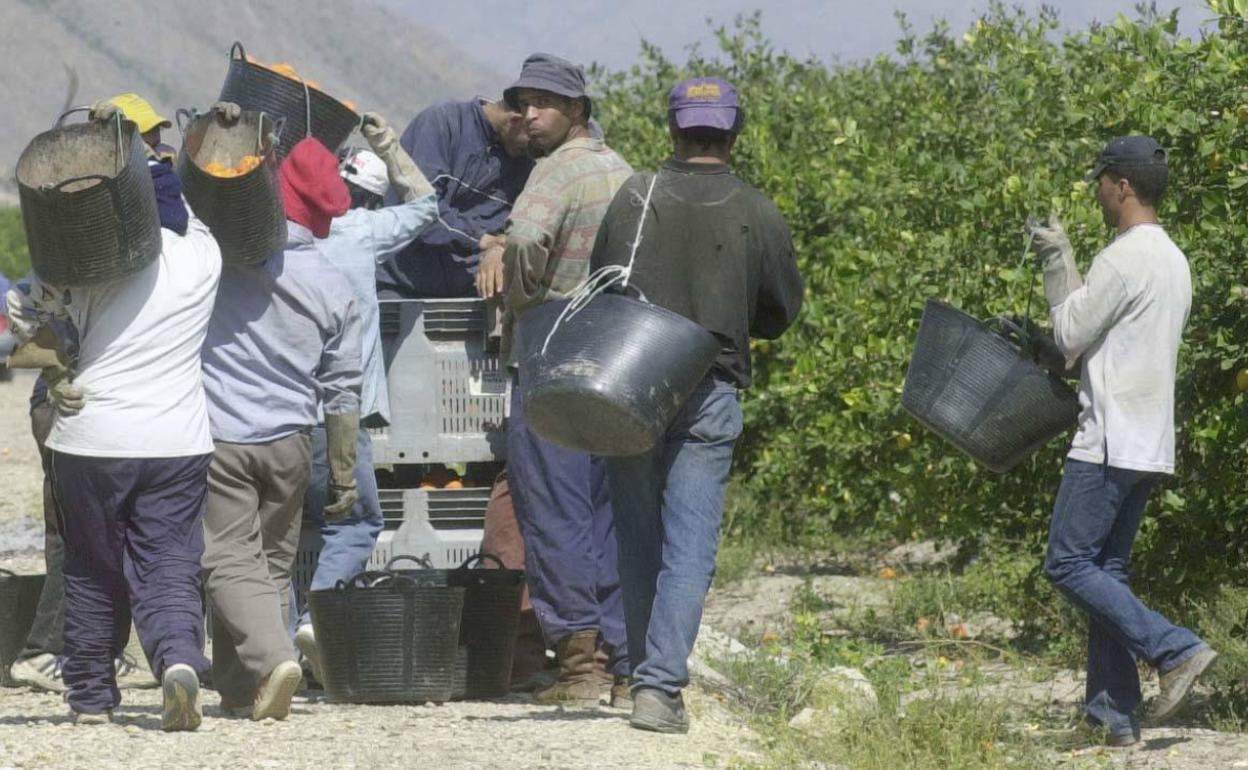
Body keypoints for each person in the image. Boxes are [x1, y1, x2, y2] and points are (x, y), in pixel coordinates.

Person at [589, 77, 803, 733]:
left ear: (672, 130)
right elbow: (781, 311)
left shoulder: (634, 196)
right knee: (690, 545)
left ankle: (637, 676)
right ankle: (658, 689)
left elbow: (600, 282)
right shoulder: (757, 208)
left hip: (632, 384)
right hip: (710, 385)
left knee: (637, 537)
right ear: (735, 133)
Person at [5, 108, 223, 730]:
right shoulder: (203, 254)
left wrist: (53, 368)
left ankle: (92, 697)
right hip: (178, 438)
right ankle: (178, 659)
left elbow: (17, 314)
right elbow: (193, 198)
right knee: (171, 559)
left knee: (91, 565)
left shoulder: (80, 267)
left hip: (90, 437)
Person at [1029, 136, 1216, 747]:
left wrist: (1058, 261)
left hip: (1107, 440)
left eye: (1103, 182)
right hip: (1150, 440)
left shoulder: (1124, 257)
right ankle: (1113, 718)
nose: (1099, 192)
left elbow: (1068, 336)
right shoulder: (1173, 259)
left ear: (1124, 186)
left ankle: (1175, 649)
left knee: (1066, 562)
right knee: (1106, 571)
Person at [198, 125, 363, 722]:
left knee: (224, 561)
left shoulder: (227, 260)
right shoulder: (333, 286)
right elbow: (344, 388)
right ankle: (240, 691)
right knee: (266, 563)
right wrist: (342, 474)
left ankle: (273, 660)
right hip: (294, 443)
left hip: (224, 437)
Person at [485, 52, 634, 708]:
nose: (529, 114)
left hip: (551, 346)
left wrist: (522, 298)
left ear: (577, 111)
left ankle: (577, 668)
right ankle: (626, 666)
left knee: (551, 507)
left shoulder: (555, 170)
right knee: (608, 512)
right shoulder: (622, 171)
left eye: (545, 103)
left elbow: (523, 239)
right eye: (524, 102)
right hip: (615, 354)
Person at [291, 116, 439, 682]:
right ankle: (318, 615)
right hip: (341, 415)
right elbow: (428, 205)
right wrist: (389, 143)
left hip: (274, 416)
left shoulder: (276, 242)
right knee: (354, 524)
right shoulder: (364, 232)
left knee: (276, 536)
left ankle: (275, 646)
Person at [376, 96, 533, 298]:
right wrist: (480, 239)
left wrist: (500, 249)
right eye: (527, 144)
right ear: (515, 120)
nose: (531, 153)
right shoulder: (444, 122)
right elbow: (422, 208)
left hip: (454, 297)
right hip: (395, 283)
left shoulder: (525, 165)